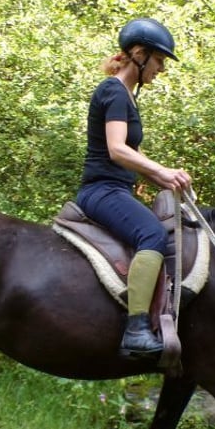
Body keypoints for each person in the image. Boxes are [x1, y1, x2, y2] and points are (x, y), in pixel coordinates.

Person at [76, 18, 192, 359]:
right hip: (102, 190)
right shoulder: (113, 90)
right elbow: (116, 149)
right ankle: (136, 329)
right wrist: (162, 170)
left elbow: (132, 155)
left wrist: (166, 180)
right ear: (139, 55)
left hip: (116, 189)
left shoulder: (124, 95)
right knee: (152, 235)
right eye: (158, 61)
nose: (160, 69)